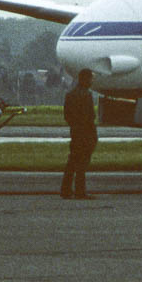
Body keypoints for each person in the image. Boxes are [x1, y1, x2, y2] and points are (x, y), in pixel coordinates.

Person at [61, 69, 98, 199]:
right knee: (82, 164)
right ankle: (80, 191)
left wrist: (75, 125)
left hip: (75, 132)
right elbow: (91, 116)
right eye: (91, 79)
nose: (92, 81)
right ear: (85, 79)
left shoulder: (70, 94)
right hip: (86, 133)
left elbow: (67, 115)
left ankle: (65, 190)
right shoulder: (87, 95)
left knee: (72, 161)